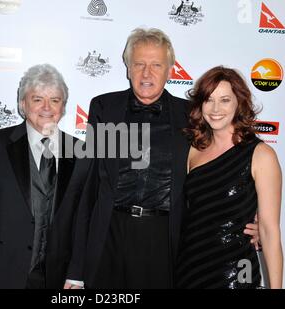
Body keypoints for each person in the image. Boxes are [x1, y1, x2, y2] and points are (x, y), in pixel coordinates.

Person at [66, 28, 259, 289]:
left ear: (170, 70)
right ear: (127, 68)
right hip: (109, 235)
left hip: (164, 242)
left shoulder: (190, 114)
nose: (147, 73)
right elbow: (88, 188)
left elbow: (224, 163)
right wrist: (76, 270)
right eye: (139, 64)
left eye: (156, 65)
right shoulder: (104, 108)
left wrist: (249, 215)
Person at [0, 64, 83, 289]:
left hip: (59, 278)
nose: (46, 107)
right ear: (22, 104)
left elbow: (84, 221)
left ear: (63, 107)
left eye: (55, 100)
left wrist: (76, 275)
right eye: (37, 99)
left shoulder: (82, 152)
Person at [176, 66, 283, 289]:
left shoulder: (260, 154)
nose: (215, 109)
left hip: (237, 274)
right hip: (190, 269)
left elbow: (269, 231)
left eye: (225, 100)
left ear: (239, 103)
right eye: (209, 100)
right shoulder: (193, 150)